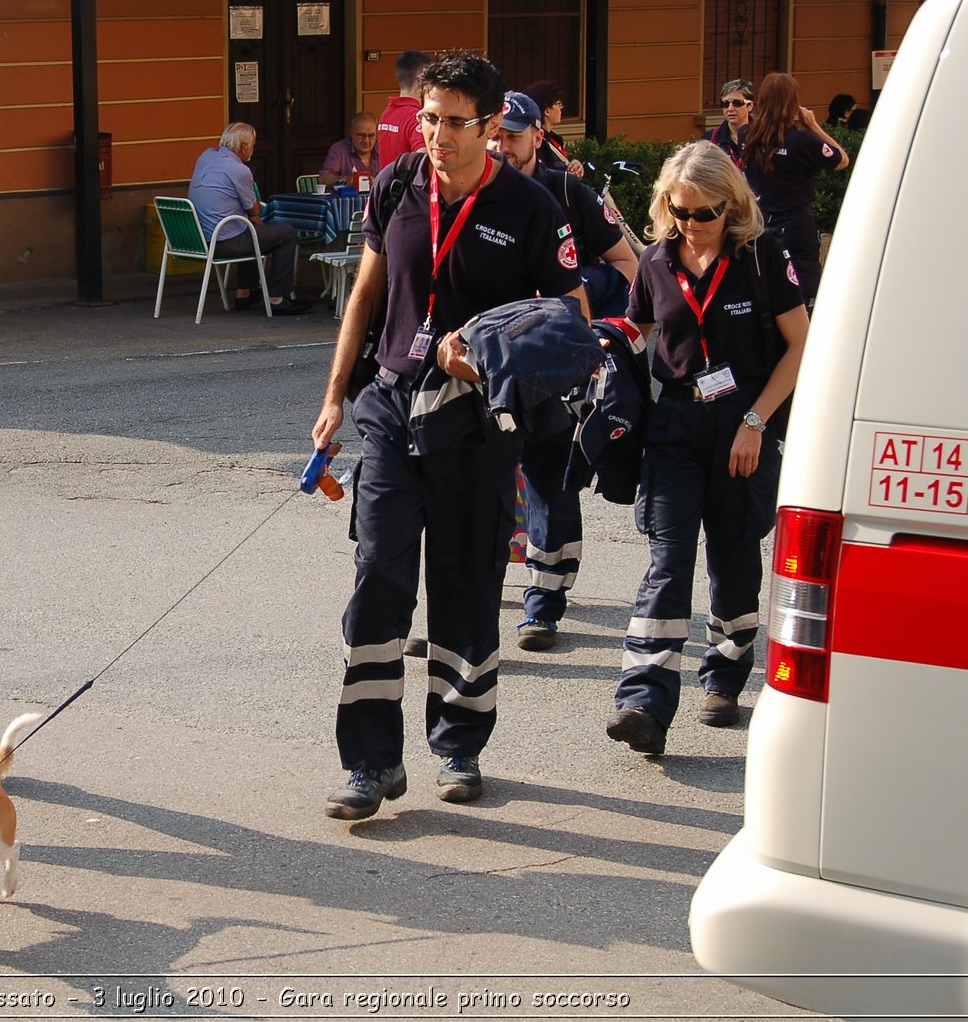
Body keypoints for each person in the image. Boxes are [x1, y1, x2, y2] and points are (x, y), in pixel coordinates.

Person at [311, 52, 586, 819]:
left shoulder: (532, 209)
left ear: (493, 126)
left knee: (465, 589)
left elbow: (574, 327)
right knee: (377, 582)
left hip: (476, 424)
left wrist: (492, 355)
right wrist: (335, 397)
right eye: (428, 116)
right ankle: (369, 764)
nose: (435, 132)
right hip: (392, 409)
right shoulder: (398, 184)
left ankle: (458, 744)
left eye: (454, 121)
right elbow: (366, 294)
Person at [606, 139, 808, 758]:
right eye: (679, 211)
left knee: (733, 554)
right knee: (668, 562)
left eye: (704, 214)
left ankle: (724, 673)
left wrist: (755, 422)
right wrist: (591, 344)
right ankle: (642, 698)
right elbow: (636, 331)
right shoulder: (658, 262)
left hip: (741, 424)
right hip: (675, 427)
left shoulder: (761, 258)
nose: (691, 226)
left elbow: (803, 346)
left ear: (732, 207)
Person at [488, 90, 638, 651]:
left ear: (536, 136)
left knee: (549, 477)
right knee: (480, 478)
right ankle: (474, 594)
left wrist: (569, 304)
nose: (503, 146)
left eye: (514, 135)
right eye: (495, 135)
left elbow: (628, 266)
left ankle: (544, 604)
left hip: (550, 367)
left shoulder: (569, 191)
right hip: (485, 365)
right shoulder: (465, 195)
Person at [741, 72, 849, 311]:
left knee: (764, 286)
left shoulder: (746, 136)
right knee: (799, 294)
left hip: (760, 221)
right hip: (796, 225)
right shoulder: (803, 142)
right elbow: (841, 160)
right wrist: (812, 124)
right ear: (793, 104)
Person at [187, 123, 309, 313]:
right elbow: (253, 208)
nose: (253, 148)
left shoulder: (206, 156)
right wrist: (251, 214)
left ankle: (243, 293)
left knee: (250, 230)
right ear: (244, 146)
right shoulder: (240, 170)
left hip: (200, 238)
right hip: (223, 241)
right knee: (286, 233)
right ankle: (277, 298)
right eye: (252, 144)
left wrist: (248, 216)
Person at [520, 79, 584, 177]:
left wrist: (575, 165)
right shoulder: (537, 143)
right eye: (558, 104)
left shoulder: (554, 140)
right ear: (547, 111)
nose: (561, 108)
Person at [376, 50, 431, 163]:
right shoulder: (416, 118)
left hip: (386, 180)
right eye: (431, 79)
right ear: (420, 80)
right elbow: (423, 160)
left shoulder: (387, 113)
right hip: (407, 180)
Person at [320, 112, 380, 186]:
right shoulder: (338, 150)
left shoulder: (383, 148)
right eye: (361, 135)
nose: (366, 141)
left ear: (377, 134)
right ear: (351, 133)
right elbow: (324, 179)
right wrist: (351, 180)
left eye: (371, 135)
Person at [704, 78, 754, 167]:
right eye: (725, 104)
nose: (730, 109)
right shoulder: (710, 139)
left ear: (749, 106)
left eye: (737, 103)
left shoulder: (763, 137)